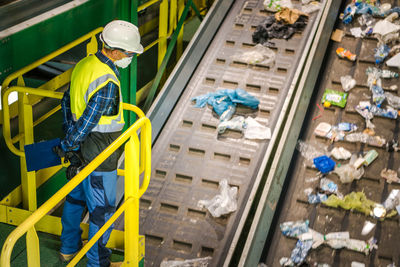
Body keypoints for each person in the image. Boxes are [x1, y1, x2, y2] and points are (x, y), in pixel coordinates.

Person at [55, 20, 143, 267]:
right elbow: (88, 122)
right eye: (129, 53)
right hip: (99, 153)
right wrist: (70, 143)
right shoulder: (107, 82)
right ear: (114, 51)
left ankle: (68, 249)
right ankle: (97, 262)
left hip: (80, 149)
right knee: (102, 211)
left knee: (74, 200)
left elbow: (66, 103)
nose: (130, 57)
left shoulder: (85, 64)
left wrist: (70, 146)